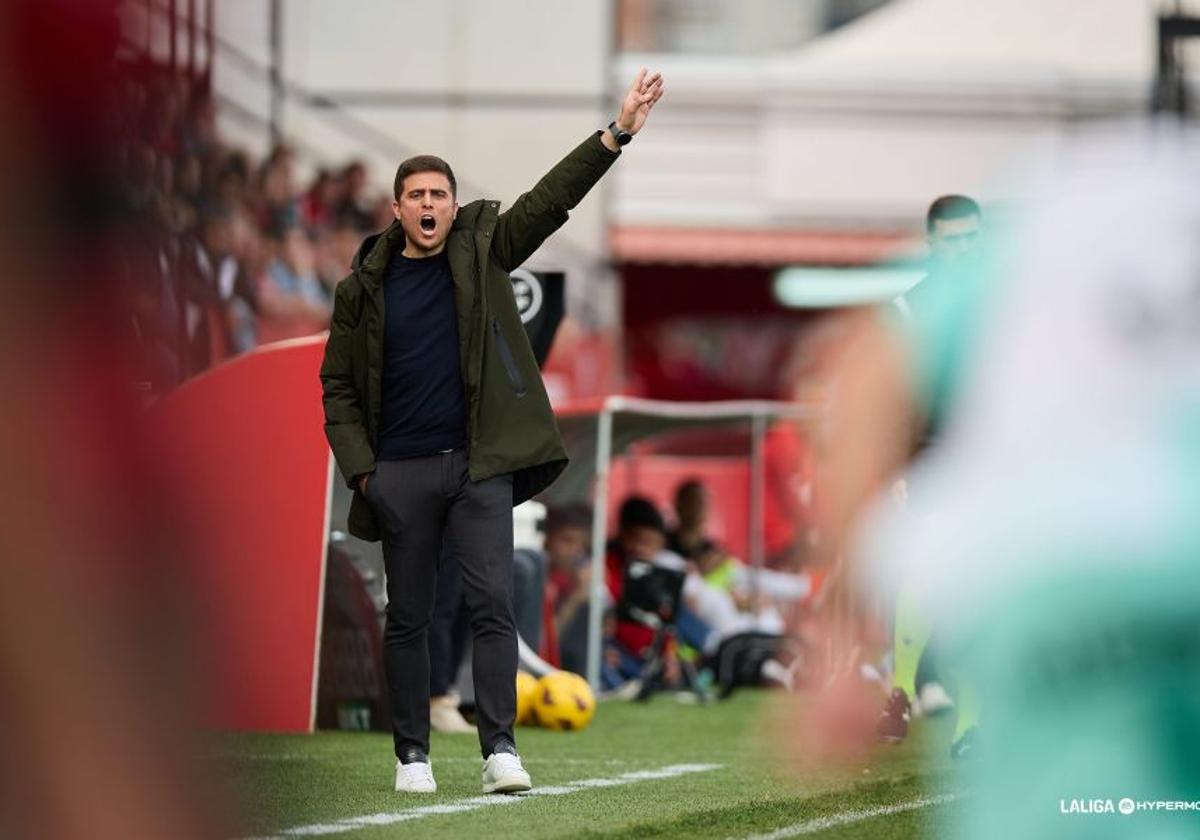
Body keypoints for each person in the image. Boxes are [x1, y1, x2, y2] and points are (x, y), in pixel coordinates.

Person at [319, 68, 664, 795]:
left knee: (492, 604)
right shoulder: (362, 289)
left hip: (478, 468)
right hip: (399, 472)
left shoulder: (482, 252)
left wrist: (618, 131)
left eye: (439, 194)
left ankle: (499, 750)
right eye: (416, 195)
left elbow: (549, 200)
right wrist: (363, 474)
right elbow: (339, 387)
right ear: (397, 208)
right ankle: (411, 754)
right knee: (408, 617)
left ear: (451, 204)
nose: (429, 205)